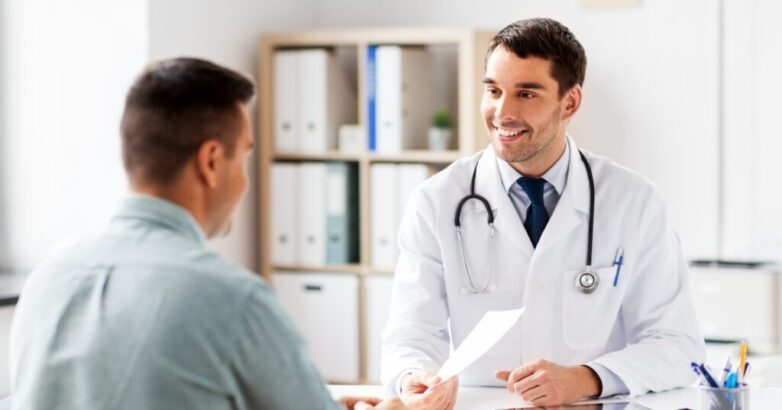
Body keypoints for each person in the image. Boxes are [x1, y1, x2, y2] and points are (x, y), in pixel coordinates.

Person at [9, 57, 456, 410]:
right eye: (243, 157)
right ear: (210, 162)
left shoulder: (50, 277)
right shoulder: (232, 299)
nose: (244, 180)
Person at [381, 18, 706, 407]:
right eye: (493, 91)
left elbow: (677, 344)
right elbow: (410, 334)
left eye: (526, 94)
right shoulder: (436, 201)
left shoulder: (633, 201)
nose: (502, 112)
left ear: (569, 102)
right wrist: (412, 376)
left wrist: (588, 378)